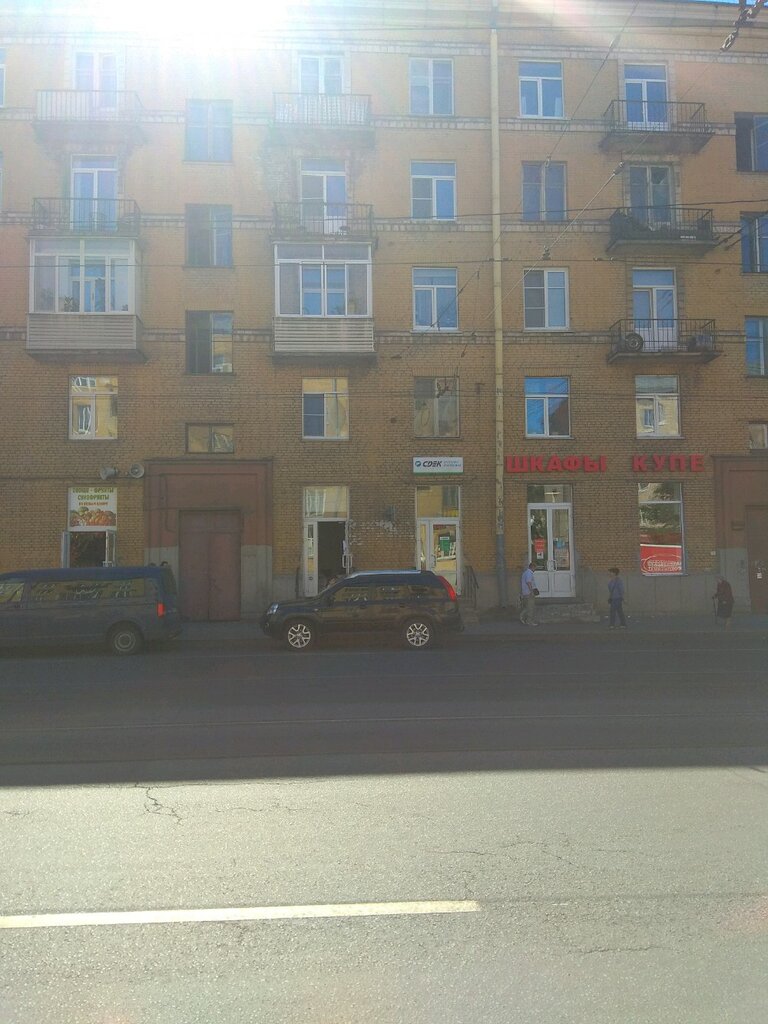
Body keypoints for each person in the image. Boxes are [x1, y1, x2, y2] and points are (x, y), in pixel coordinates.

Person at [519, 562, 539, 626]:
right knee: (530, 607)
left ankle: (522, 617)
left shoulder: (525, 572)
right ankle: (529, 621)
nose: (535, 570)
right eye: (535, 568)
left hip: (526, 592)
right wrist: (531, 591)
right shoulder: (529, 573)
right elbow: (528, 582)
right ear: (532, 567)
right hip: (529, 593)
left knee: (528, 607)